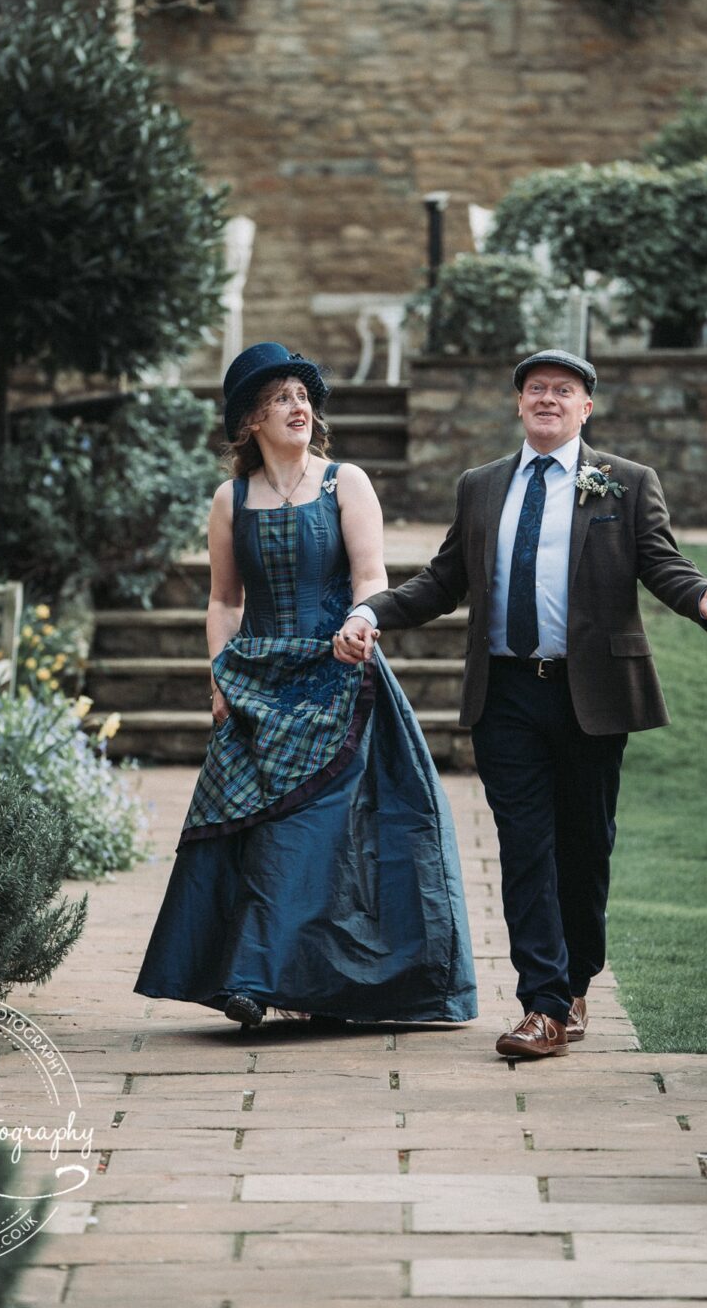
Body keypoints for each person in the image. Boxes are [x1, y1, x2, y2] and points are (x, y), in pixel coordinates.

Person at [335, 348, 707, 1060]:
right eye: (536, 390)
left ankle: (577, 978)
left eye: (564, 390)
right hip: (506, 694)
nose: (548, 399)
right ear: (520, 404)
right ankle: (544, 1005)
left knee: (584, 851)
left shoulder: (624, 482)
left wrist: (701, 599)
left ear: (586, 408)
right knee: (525, 849)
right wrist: (371, 613)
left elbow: (661, 563)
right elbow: (441, 582)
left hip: (592, 694)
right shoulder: (481, 486)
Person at [135, 341, 478, 1028]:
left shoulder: (344, 483)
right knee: (247, 827)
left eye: (301, 396)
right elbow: (225, 602)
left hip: (338, 675)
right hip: (259, 683)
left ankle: (272, 981)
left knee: (312, 831)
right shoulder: (230, 499)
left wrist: (360, 622)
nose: (297, 407)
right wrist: (219, 679)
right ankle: (251, 978)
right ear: (250, 420)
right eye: (279, 398)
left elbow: (371, 576)